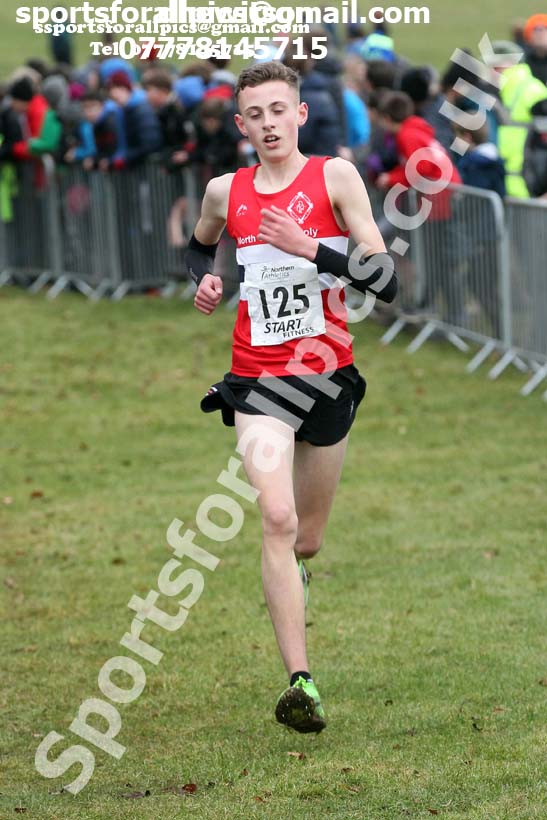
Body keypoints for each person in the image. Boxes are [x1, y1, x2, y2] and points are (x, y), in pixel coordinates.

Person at [184, 61, 397, 734]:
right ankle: (300, 683)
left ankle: (296, 570)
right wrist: (206, 281)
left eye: (281, 109)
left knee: (305, 539)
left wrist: (314, 249)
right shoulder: (226, 191)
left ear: (299, 114)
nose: (269, 123)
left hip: (327, 375)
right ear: (241, 125)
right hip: (256, 380)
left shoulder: (334, 177)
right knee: (273, 518)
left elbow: (387, 279)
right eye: (257, 114)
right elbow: (198, 248)